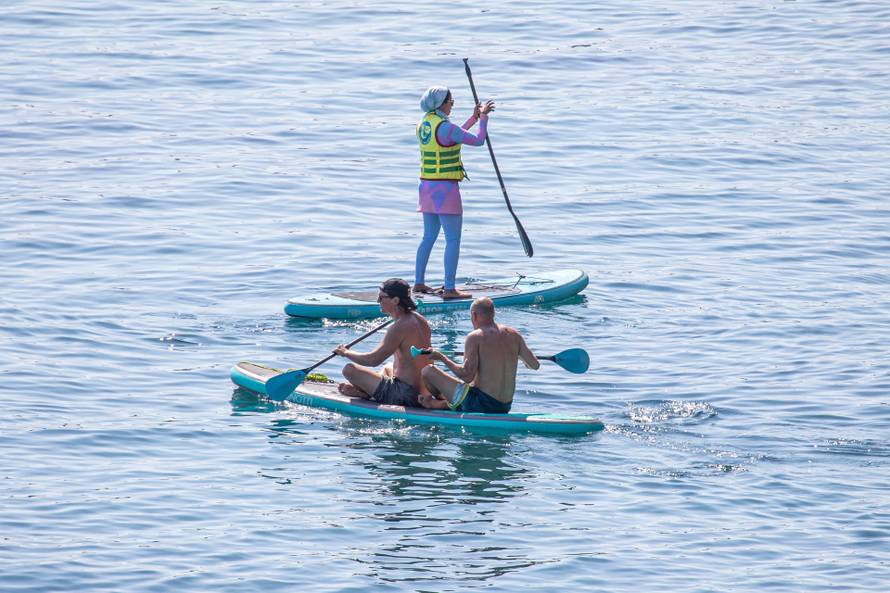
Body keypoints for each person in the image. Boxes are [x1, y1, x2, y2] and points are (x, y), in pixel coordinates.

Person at [414, 86, 495, 300]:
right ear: (441, 103)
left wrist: (473, 118)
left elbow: (453, 136)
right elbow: (477, 140)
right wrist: (484, 118)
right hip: (445, 189)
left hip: (426, 186)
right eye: (451, 101)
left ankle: (419, 283)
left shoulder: (425, 123)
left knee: (428, 236)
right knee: (453, 239)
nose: (452, 104)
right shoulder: (446, 127)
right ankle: (449, 288)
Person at [418, 297, 539, 413]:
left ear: (474, 315)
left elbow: (466, 376)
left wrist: (441, 358)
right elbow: (534, 365)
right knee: (470, 386)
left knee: (428, 371)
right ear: (493, 314)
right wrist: (517, 355)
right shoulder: (514, 335)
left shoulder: (475, 337)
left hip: (479, 405)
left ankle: (443, 404)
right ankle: (446, 404)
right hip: (504, 407)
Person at [334, 278, 431, 407]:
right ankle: (366, 392)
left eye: (381, 298)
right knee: (388, 367)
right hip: (425, 391)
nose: (378, 301)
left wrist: (346, 353)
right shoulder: (420, 320)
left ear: (396, 300)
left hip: (405, 395)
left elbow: (373, 360)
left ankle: (366, 393)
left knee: (349, 370)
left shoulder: (398, 327)